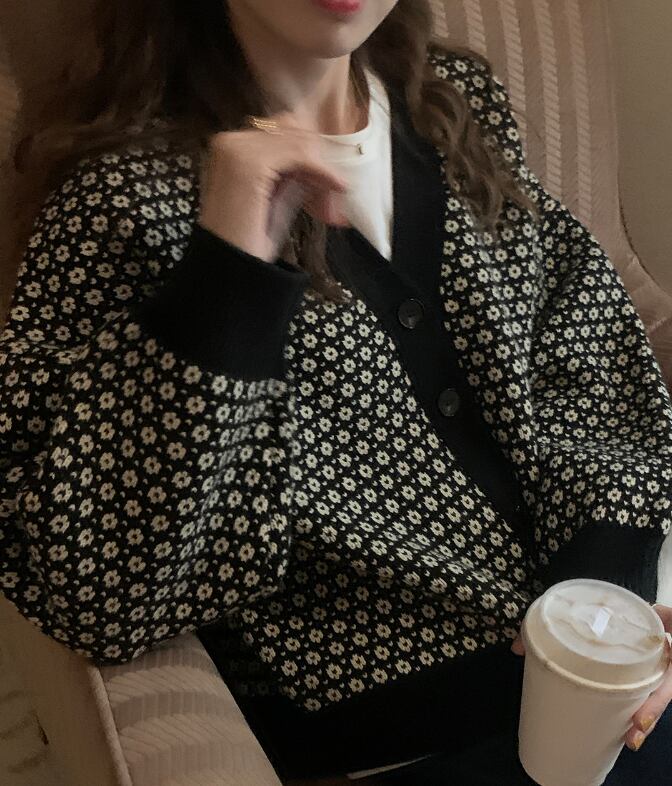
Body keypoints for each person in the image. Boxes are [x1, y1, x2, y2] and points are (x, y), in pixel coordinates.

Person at [1, 1, 671, 783]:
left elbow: (577, 342)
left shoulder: (454, 104)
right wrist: (227, 274)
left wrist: (605, 593)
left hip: (601, 663)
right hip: (412, 726)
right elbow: (97, 588)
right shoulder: (118, 201)